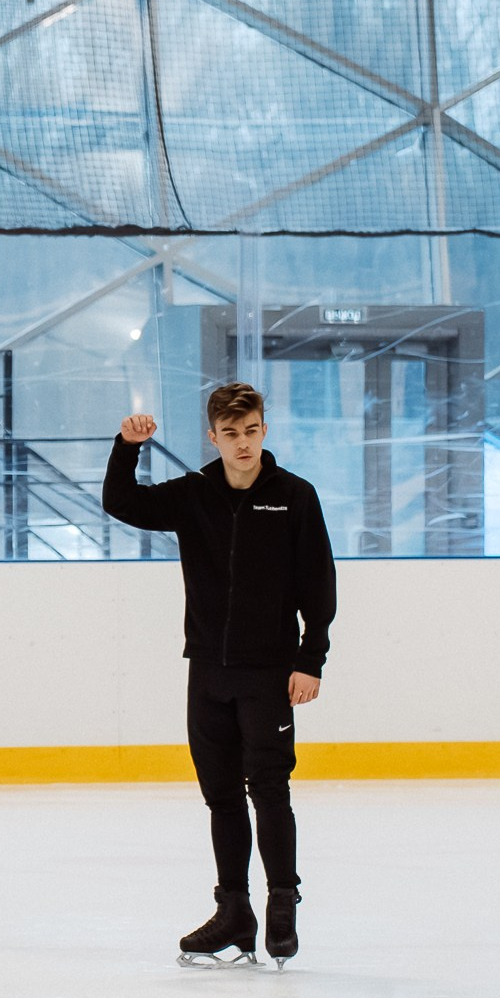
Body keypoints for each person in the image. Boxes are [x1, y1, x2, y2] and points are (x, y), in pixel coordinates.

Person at [103, 383, 337, 968]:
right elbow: (122, 503)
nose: (242, 443)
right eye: (230, 433)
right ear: (213, 436)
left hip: (269, 674)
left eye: (251, 430)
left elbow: (319, 584)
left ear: (265, 430)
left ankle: (282, 906)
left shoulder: (295, 496)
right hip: (207, 670)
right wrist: (126, 447)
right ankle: (235, 912)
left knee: (270, 789)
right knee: (222, 797)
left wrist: (311, 660)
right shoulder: (195, 495)